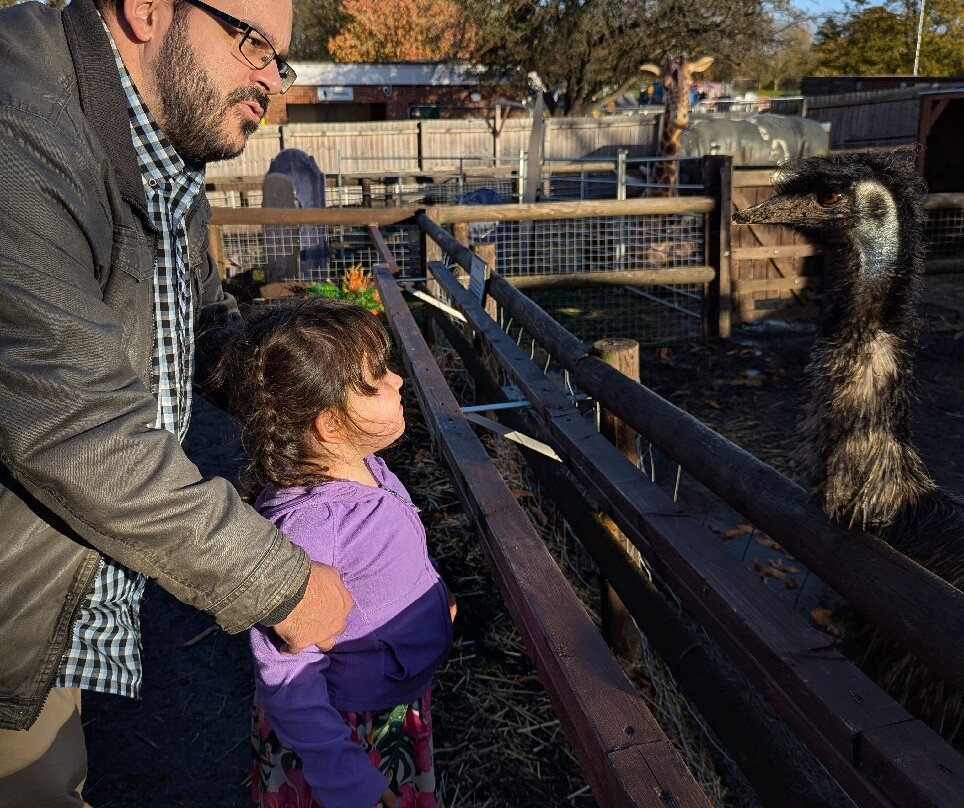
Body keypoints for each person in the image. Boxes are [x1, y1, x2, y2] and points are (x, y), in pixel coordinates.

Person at [0, 0, 354, 804]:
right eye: (252, 43)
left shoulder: (159, 154)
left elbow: (194, 332)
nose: (270, 80)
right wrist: (285, 586)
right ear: (149, 8)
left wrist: (313, 382)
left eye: (280, 59)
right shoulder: (20, 134)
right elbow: (78, 431)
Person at [212, 298, 455, 808]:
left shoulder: (364, 468)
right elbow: (286, 676)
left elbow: (388, 563)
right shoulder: (310, 527)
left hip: (389, 701)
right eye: (377, 379)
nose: (398, 382)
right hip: (347, 733)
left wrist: (430, 600)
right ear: (328, 424)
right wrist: (348, 780)